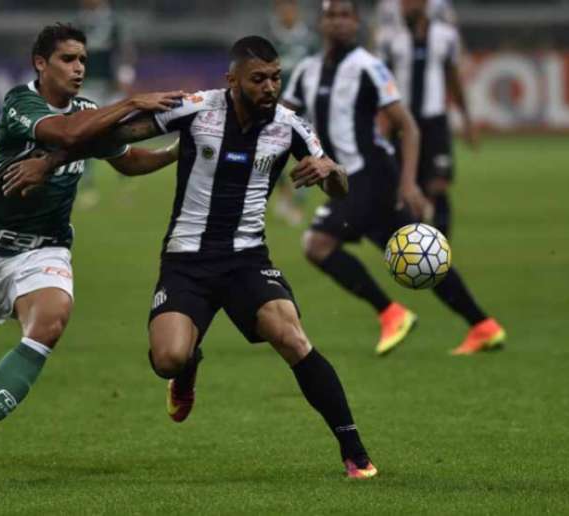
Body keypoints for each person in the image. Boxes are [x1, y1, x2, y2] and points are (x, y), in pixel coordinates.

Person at [20, 35, 378, 479]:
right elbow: (117, 136)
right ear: (232, 80)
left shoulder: (291, 126)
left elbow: (338, 188)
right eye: (258, 79)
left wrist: (332, 171)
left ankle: (354, 452)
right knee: (169, 358)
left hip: (248, 259)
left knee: (291, 336)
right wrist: (48, 163)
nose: (269, 87)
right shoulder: (196, 108)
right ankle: (187, 368)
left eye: (275, 78)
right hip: (186, 261)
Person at [0, 23, 185, 467]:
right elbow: (69, 135)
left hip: (46, 247)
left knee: (50, 321)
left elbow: (129, 161)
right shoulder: (22, 103)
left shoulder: (90, 109)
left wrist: (175, 151)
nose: (78, 68)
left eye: (82, 60)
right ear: (41, 63)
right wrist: (133, 101)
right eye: (68, 59)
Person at [283, 0, 505, 356]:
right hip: (346, 180)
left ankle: (390, 313)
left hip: (371, 175)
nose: (338, 22)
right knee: (415, 252)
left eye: (345, 15)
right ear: (321, 24)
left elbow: (408, 126)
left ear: (357, 23)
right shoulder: (306, 71)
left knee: (317, 244)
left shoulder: (368, 66)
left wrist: (408, 184)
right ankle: (483, 325)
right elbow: (284, 119)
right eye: (331, 16)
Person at [376, 0, 474, 238]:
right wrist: (381, 122)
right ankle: (416, 248)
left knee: (438, 186)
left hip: (435, 122)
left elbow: (453, 79)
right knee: (407, 190)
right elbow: (380, 83)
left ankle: (441, 251)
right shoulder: (388, 38)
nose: (406, 6)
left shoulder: (446, 37)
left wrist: (466, 118)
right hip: (402, 124)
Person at [73, 0, 137, 209]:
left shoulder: (114, 22)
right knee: (84, 135)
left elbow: (126, 49)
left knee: (119, 132)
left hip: (111, 87)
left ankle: (125, 184)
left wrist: (125, 75)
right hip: (87, 86)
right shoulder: (78, 22)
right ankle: (87, 187)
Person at [267, 0, 319, 226]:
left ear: (295, 10)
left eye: (290, 7)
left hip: (304, 107)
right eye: (282, 8)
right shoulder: (271, 39)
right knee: (271, 154)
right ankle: (285, 195)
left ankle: (297, 204)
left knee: (307, 156)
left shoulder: (309, 40)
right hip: (276, 106)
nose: (286, 12)